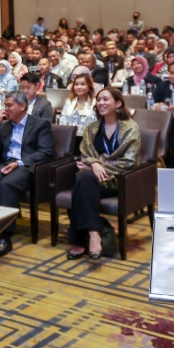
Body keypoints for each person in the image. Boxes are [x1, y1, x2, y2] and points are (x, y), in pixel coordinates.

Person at [66, 88, 141, 260]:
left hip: (118, 180)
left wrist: (100, 166)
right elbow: (85, 153)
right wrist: (93, 163)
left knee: (82, 181)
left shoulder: (131, 128)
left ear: (118, 103)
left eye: (106, 99)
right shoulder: (92, 128)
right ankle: (94, 235)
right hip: (94, 179)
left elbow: (129, 162)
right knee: (83, 180)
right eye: (99, 100)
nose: (101, 103)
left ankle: (78, 241)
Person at [0, 91, 55, 257]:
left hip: (27, 167)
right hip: (6, 163)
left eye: (9, 105)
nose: (5, 109)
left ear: (22, 106)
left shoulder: (40, 124)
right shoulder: (5, 125)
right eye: (5, 105)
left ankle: (5, 237)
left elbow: (45, 152)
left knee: (6, 185)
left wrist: (18, 163)